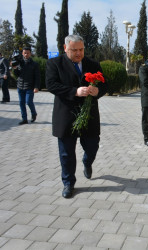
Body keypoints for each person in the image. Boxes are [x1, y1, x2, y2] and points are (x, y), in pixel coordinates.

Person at [46, 35, 108, 198]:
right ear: (65, 48)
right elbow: (52, 85)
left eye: (81, 49)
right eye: (74, 50)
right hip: (66, 114)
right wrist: (75, 91)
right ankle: (68, 183)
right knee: (66, 152)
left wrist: (97, 91)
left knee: (92, 146)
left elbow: (104, 85)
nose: (79, 53)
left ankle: (87, 162)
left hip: (89, 115)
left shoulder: (93, 64)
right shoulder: (55, 64)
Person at [11, 47, 40, 124]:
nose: (26, 54)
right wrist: (15, 68)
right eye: (24, 53)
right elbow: (17, 75)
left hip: (29, 87)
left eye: (27, 53)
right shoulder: (19, 63)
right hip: (20, 86)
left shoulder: (34, 64)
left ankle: (34, 113)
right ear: (22, 53)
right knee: (21, 102)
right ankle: (24, 119)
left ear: (30, 54)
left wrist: (36, 87)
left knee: (28, 102)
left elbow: (37, 77)